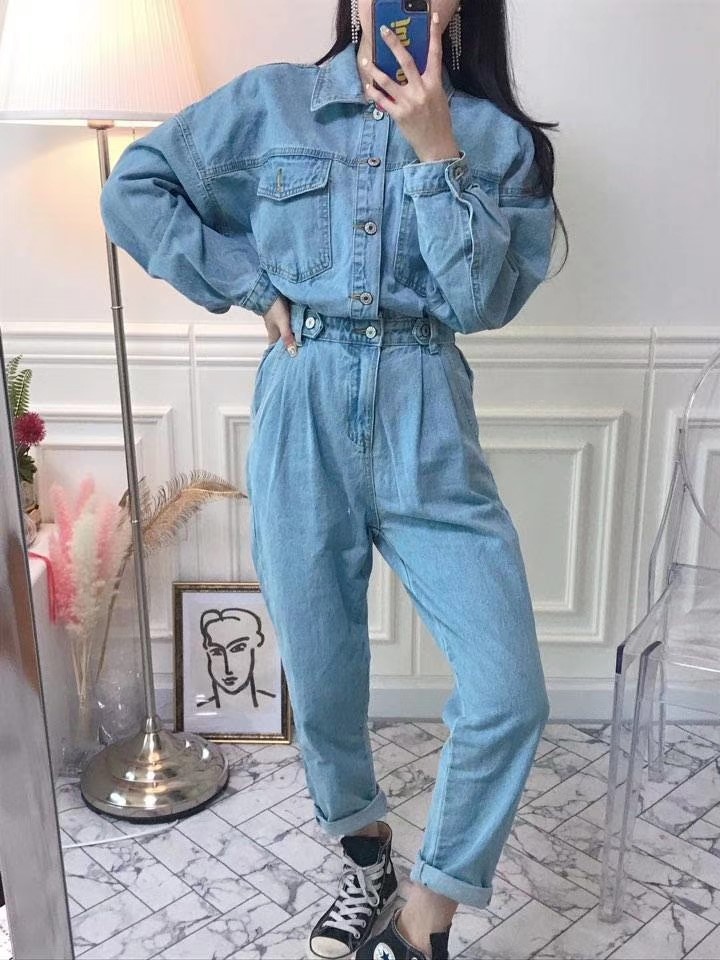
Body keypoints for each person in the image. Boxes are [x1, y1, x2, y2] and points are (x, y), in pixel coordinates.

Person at [99, 2, 568, 958]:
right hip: (301, 397)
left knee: (509, 689)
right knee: (319, 682)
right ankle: (366, 860)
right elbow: (133, 188)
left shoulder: (496, 142)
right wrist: (249, 284)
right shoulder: (271, 104)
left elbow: (480, 301)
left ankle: (425, 916)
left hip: (426, 413)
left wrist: (435, 149)